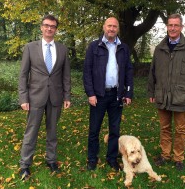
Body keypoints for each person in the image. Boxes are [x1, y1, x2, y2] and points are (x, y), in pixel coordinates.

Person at [148, 13, 185, 171]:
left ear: (181, 27)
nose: (172, 28)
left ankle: (178, 157)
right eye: (170, 25)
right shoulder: (160, 48)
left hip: (181, 96)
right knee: (164, 128)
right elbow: (153, 72)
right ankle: (165, 155)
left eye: (176, 25)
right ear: (167, 27)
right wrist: (151, 92)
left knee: (180, 129)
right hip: (162, 95)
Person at [18, 14, 71, 179]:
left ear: (56, 29)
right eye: (47, 25)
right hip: (35, 98)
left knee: (52, 132)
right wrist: (23, 98)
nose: (49, 28)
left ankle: (51, 160)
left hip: (55, 97)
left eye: (53, 26)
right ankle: (25, 165)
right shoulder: (30, 47)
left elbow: (66, 75)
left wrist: (67, 96)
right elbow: (23, 74)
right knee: (31, 132)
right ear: (41, 27)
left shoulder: (62, 49)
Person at [83, 17, 134, 171]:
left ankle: (112, 158)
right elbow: (87, 72)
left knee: (115, 130)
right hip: (98, 95)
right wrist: (90, 93)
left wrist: (128, 93)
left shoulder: (123, 48)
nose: (111, 29)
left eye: (114, 26)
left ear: (118, 29)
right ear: (104, 27)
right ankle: (92, 158)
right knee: (94, 129)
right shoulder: (94, 46)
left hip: (116, 95)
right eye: (109, 26)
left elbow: (129, 71)